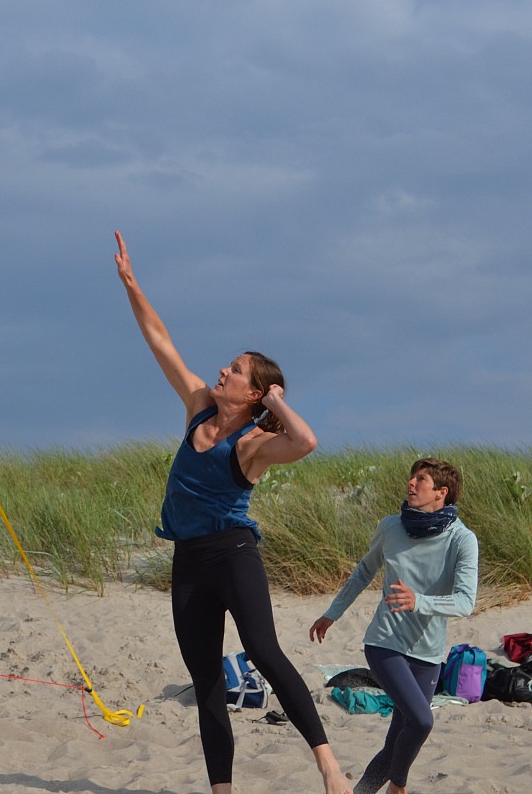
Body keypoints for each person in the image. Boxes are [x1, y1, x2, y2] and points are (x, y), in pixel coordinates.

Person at [112, 230, 351, 794]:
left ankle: (328, 766)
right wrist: (131, 283)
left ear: (253, 394)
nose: (223, 370)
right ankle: (222, 788)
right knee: (206, 681)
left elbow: (307, 442)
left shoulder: (252, 446)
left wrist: (275, 401)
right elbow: (160, 340)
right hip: (189, 561)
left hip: (232, 554)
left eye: (237, 370)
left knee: (264, 651)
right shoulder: (198, 406)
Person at [310, 459, 478, 794]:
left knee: (398, 740)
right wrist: (333, 612)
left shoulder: (462, 539)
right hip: (385, 644)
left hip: (428, 654)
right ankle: (397, 787)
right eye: (411, 478)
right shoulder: (391, 527)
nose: (410, 484)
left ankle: (362, 792)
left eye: (421, 479)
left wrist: (419, 602)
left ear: (441, 492)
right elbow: (364, 571)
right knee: (422, 721)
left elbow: (465, 602)